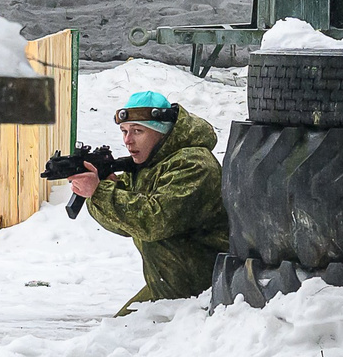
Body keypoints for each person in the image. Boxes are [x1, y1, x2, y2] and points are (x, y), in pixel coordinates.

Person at [67, 87, 229, 312]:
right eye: (124, 131)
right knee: (116, 335)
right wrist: (106, 188)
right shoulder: (150, 165)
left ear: (161, 132)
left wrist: (100, 192)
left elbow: (153, 221)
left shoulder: (194, 164)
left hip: (207, 287)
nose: (128, 140)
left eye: (137, 131)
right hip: (170, 284)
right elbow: (125, 225)